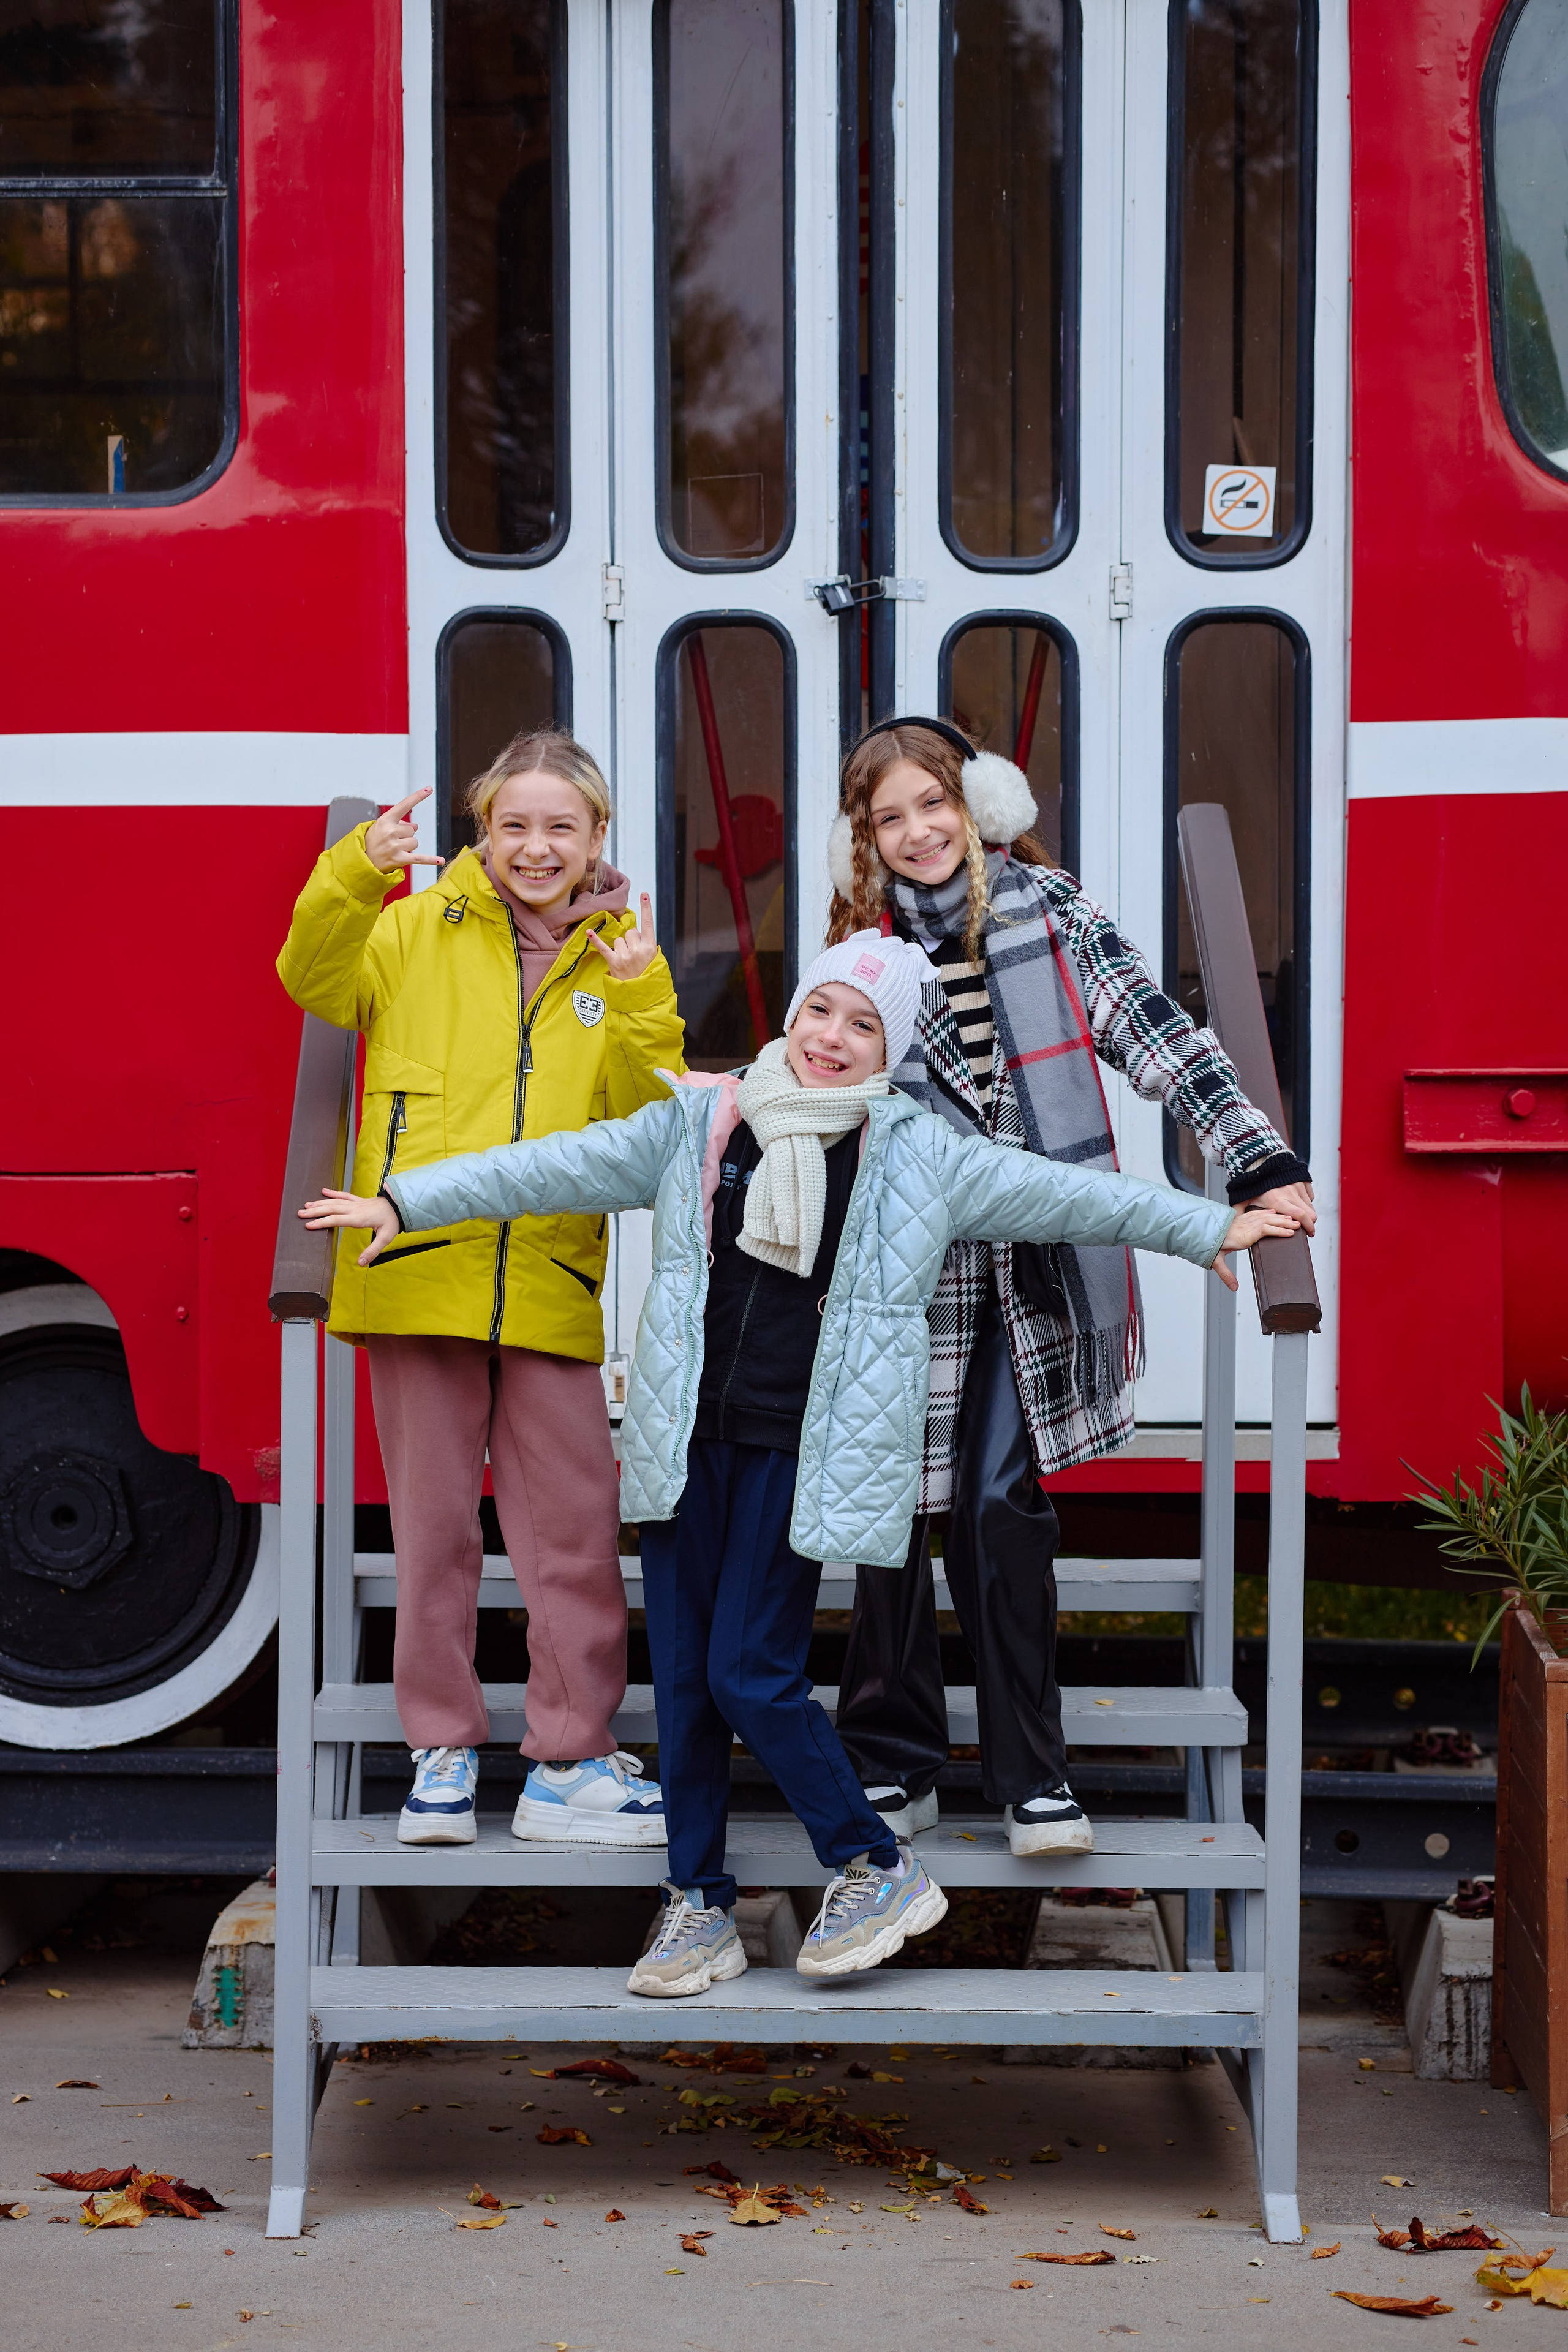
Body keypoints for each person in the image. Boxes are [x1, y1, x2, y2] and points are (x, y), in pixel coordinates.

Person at [299, 932, 1298, 1995]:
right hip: (686, 1444)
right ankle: (698, 1904)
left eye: (864, 1026)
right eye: (822, 1011)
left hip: (801, 1453)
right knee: (687, 1686)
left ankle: (876, 1863)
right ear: (792, 1016)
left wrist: (1211, 1229)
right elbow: (550, 1166)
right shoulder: (702, 1122)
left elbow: (1072, 1198)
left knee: (751, 1674)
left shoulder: (919, 1155)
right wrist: (405, 1202)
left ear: (891, 1051)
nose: (833, 1038)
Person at [823, 718, 1317, 1858]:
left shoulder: (1050, 911)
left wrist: (1255, 1157)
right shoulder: (861, 947)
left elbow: (1157, 1035)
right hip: (904, 1267)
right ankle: (892, 1756)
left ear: (981, 803)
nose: (918, 833)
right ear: (866, 838)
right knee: (890, 1507)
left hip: (1035, 1256)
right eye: (890, 818)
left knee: (999, 1501)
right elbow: (820, 1082)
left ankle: (1032, 1776)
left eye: (934, 804)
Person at [277, 728, 685, 1849]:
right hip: (414, 1277)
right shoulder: (411, 927)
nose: (535, 847)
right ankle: (441, 1756)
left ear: (597, 840)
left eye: (561, 827)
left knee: (575, 1532)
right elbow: (311, 977)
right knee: (433, 1534)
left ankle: (569, 1762)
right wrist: (355, 872)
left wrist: (642, 997)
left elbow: (652, 1126)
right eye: (514, 825)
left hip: (549, 1282)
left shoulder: (618, 960)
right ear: (482, 833)